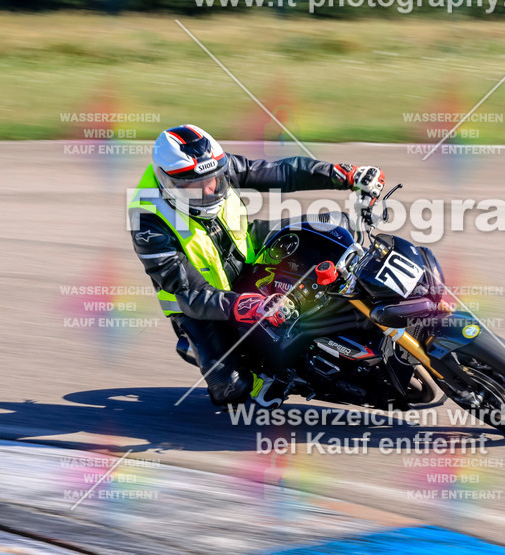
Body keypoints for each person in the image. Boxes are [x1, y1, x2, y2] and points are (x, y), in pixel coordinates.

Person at [127, 124, 385, 407]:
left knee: (334, 225)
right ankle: (276, 371)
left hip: (244, 247)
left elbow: (280, 172)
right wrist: (242, 305)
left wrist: (342, 174)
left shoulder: (214, 165)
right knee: (230, 386)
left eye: (213, 180)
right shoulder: (148, 221)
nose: (209, 190)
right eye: (194, 186)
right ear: (168, 182)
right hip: (201, 303)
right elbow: (189, 292)